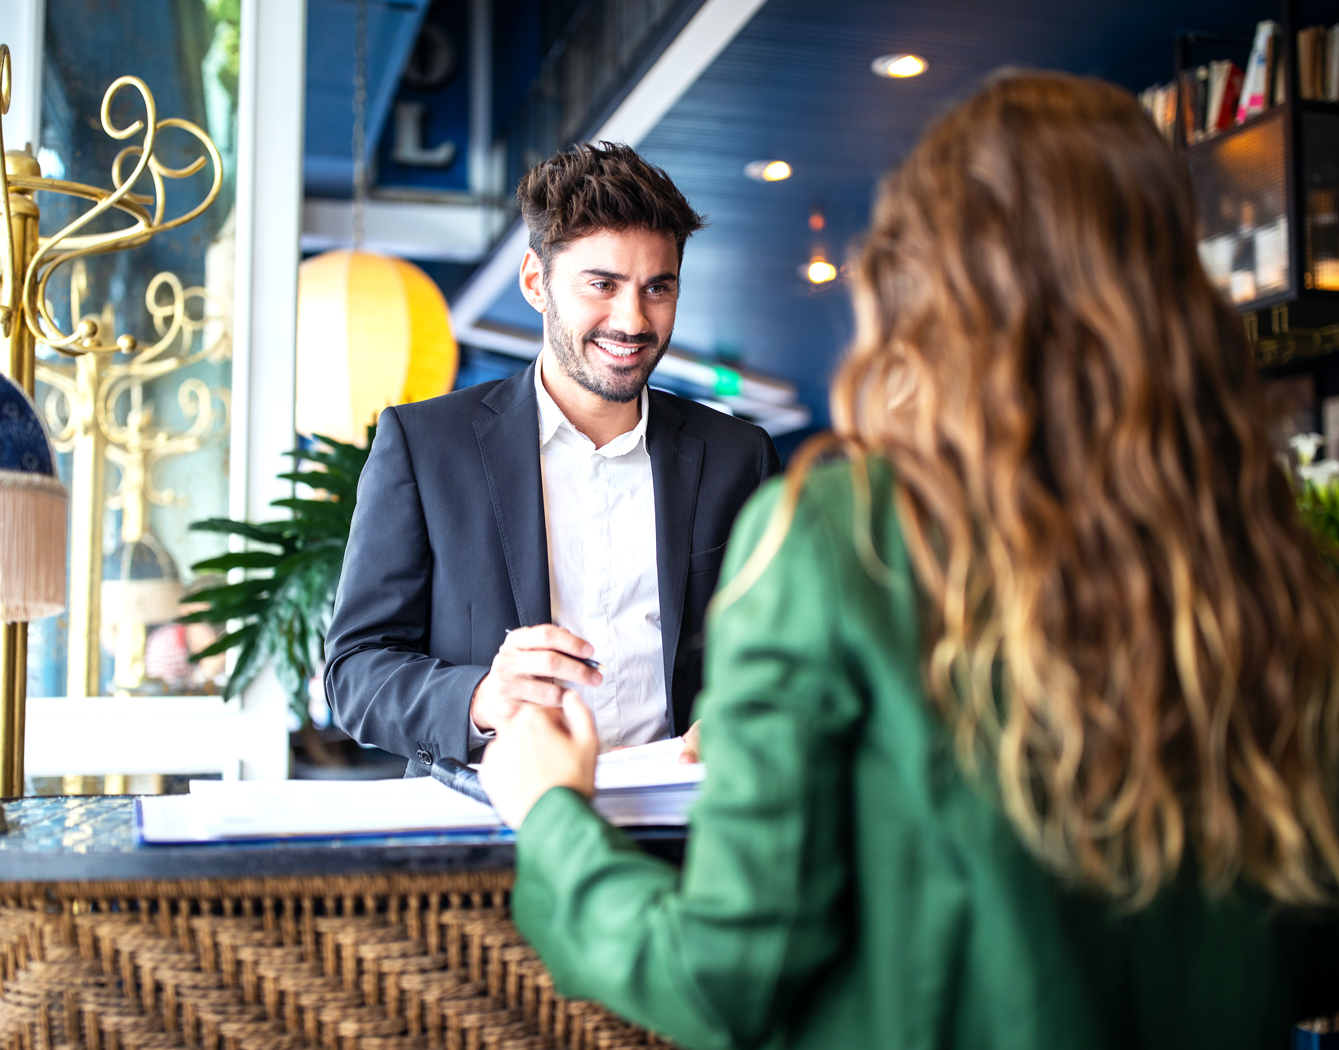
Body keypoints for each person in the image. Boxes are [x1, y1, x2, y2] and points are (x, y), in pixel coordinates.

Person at [476, 72, 1339, 1049]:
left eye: (657, 285)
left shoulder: (842, 534)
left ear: (925, 280)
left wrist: (551, 816)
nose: (634, 316)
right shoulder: (1263, 552)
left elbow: (722, 980)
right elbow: (1306, 938)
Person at [325, 143, 778, 776]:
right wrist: (483, 698)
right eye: (602, 284)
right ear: (536, 282)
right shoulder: (427, 446)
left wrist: (750, 714)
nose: (633, 320)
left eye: (657, 288)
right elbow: (355, 671)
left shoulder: (738, 457)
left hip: (688, 818)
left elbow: (788, 653)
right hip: (493, 821)